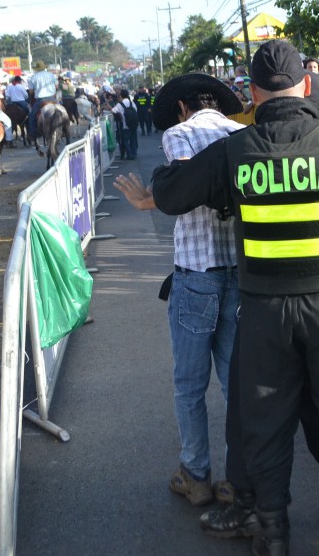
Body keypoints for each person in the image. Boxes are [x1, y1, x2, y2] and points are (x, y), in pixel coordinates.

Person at [149, 39, 319, 556]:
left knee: (264, 425)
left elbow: (171, 194)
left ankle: (272, 536)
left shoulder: (235, 150)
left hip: (264, 315)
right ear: (307, 86)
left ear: (252, 93)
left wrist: (161, 177)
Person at [112, 73, 243, 506]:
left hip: (196, 272)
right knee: (235, 381)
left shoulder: (178, 136)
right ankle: (238, 478)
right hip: (240, 273)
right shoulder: (243, 135)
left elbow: (187, 192)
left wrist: (153, 199)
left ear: (184, 107)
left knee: (189, 384)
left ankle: (196, 474)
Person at [28, 60, 58, 141]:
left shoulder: (33, 77)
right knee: (62, 110)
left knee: (32, 116)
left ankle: (32, 134)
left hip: (41, 100)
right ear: (44, 67)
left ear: (37, 68)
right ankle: (65, 129)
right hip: (52, 98)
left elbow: (30, 92)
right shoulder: (51, 75)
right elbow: (57, 87)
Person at [115, 89, 139, 159]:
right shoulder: (132, 103)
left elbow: (114, 110)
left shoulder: (120, 104)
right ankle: (134, 153)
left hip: (125, 125)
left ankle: (129, 154)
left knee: (125, 140)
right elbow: (136, 111)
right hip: (134, 124)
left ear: (121, 96)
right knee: (133, 139)